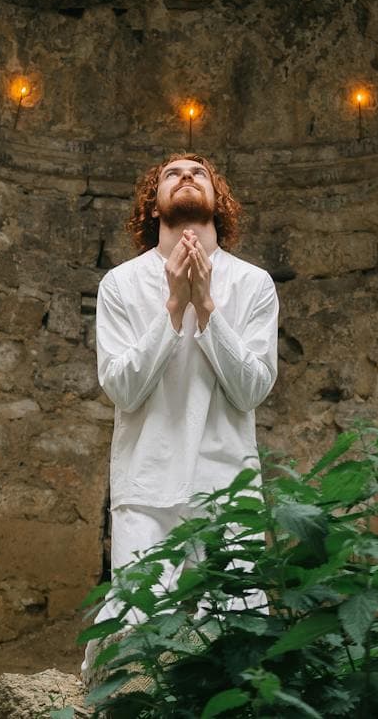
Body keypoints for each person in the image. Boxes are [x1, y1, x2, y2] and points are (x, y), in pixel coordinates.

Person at [84, 152, 279, 671]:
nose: (187, 176)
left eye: (199, 173)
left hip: (227, 482)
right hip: (147, 482)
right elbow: (122, 389)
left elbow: (252, 388)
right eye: (173, 173)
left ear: (219, 200)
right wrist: (173, 306)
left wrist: (208, 307)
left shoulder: (254, 284)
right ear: (153, 205)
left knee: (238, 635)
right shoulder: (121, 285)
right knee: (132, 635)